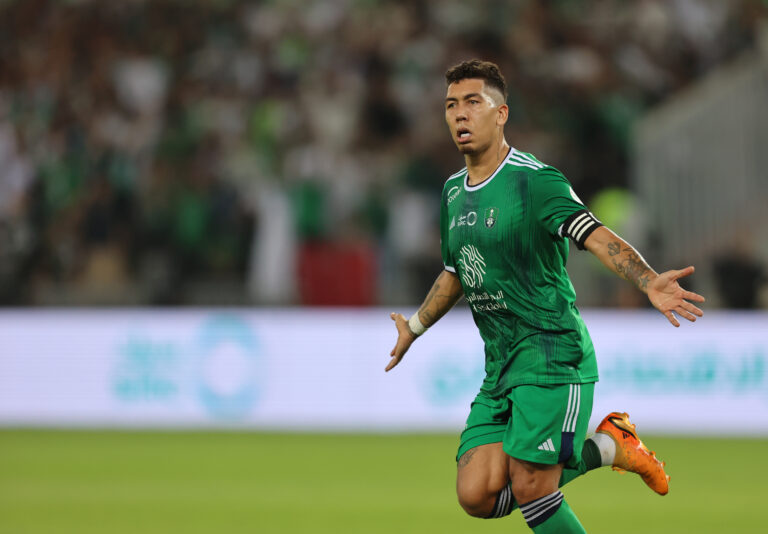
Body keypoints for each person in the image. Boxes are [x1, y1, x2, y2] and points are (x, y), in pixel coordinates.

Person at [386, 59, 705, 533]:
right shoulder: (453, 192)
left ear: (501, 114)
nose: (459, 114)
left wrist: (647, 279)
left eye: (473, 102)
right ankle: (610, 445)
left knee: (533, 486)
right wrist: (414, 327)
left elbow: (595, 235)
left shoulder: (535, 181)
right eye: (451, 104)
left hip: (553, 353)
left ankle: (607, 447)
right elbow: (455, 272)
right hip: (500, 364)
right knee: (476, 495)